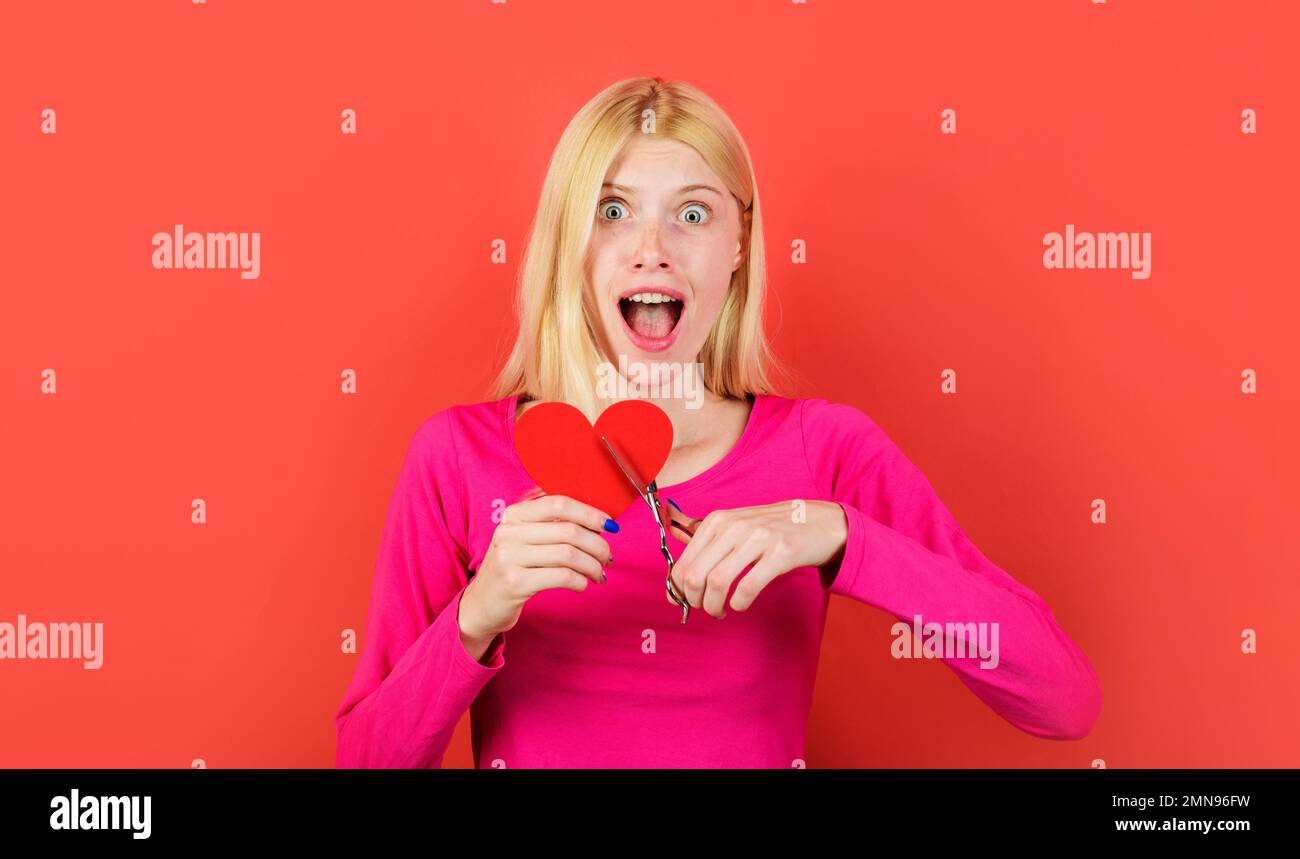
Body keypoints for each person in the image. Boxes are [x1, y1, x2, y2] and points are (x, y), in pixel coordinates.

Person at [334, 76, 1101, 768]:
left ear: (738, 243)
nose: (652, 251)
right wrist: (476, 615)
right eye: (612, 210)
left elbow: (1064, 701)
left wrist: (841, 534)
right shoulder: (458, 455)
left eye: (692, 214)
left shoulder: (826, 449)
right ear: (570, 241)